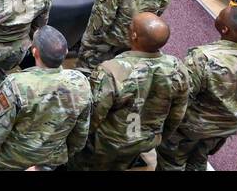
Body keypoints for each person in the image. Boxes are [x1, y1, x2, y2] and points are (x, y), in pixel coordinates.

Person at [157, 6, 237, 171]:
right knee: (198, 160)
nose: (218, 15)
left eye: (220, 15)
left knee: (171, 162)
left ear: (225, 29)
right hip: (224, 128)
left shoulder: (203, 57)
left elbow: (180, 96)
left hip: (189, 127)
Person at [71, 13, 189, 171]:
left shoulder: (112, 70)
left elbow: (93, 115)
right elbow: (177, 114)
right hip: (143, 141)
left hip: (105, 143)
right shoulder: (178, 68)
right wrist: (157, 137)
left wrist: (78, 141)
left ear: (134, 35)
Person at [0, 26, 92, 171]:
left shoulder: (15, 85)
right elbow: (80, 135)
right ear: (65, 53)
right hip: (49, 162)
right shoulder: (81, 83)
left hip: (9, 163)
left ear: (34, 52)